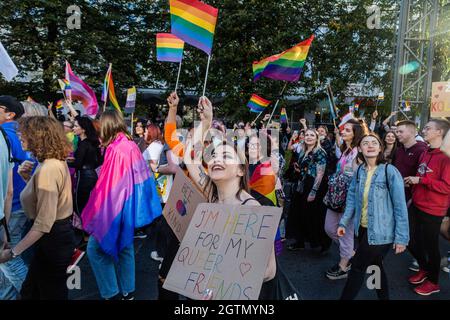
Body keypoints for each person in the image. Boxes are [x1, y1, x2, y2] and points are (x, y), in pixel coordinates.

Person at [183, 97, 277, 299]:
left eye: (226, 156)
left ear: (241, 171)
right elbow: (190, 157)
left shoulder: (252, 208)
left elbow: (269, 270)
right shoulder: (211, 195)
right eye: (215, 156)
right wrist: (206, 122)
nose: (216, 159)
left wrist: (222, 281)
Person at [81, 110, 162, 300]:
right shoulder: (128, 144)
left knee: (95, 250)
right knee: (125, 247)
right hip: (127, 208)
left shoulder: (117, 149)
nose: (98, 132)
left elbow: (112, 188)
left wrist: (102, 215)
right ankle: (128, 292)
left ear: (106, 126)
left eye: (99, 127)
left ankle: (112, 294)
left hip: (115, 209)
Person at [0, 116, 75, 300]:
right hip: (56, 237)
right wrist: (27, 177)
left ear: (38, 136)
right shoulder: (53, 162)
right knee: (35, 290)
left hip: (52, 240)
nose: (20, 137)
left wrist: (12, 253)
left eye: (24, 134)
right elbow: (46, 200)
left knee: (46, 292)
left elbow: (44, 222)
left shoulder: (49, 168)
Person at [337, 133, 409, 300]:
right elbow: (352, 199)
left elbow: (400, 206)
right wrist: (343, 222)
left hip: (381, 232)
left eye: (374, 143)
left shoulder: (389, 171)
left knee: (356, 267)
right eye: (365, 143)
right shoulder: (360, 171)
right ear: (360, 149)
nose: (370, 145)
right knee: (374, 267)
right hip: (362, 229)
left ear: (380, 148)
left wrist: (402, 238)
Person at [405, 119, 450, 296]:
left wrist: (421, 181)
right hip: (417, 204)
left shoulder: (446, 157)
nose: (423, 130)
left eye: (428, 128)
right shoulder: (425, 152)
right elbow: (421, 174)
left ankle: (433, 282)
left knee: (431, 246)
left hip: (434, 209)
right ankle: (424, 268)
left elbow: (446, 187)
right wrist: (413, 184)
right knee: (408, 239)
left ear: (439, 132)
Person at [324, 119, 367, 280]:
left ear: (356, 134)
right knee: (329, 228)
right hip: (335, 197)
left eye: (347, 130)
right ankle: (350, 253)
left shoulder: (359, 153)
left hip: (349, 199)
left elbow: (361, 178)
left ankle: (344, 265)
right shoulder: (346, 150)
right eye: (344, 129)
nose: (343, 132)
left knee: (345, 233)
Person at [0, 96, 32, 300]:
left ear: (10, 114)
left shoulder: (3, 135)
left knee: (7, 259)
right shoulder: (21, 133)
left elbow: (8, 185)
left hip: (8, 207)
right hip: (21, 203)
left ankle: (33, 294)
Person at [286, 129, 329, 252]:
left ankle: (321, 243)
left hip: (314, 185)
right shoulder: (303, 150)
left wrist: (313, 191)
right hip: (301, 184)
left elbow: (320, 174)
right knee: (298, 213)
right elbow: (305, 167)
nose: (309, 137)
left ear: (317, 138)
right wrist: (299, 169)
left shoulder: (320, 152)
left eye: (312, 135)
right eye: (307, 135)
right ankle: (299, 241)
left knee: (313, 215)